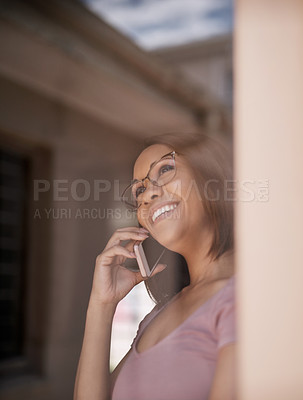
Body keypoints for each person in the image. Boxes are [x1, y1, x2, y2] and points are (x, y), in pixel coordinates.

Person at [74, 133, 236, 400]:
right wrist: (101, 304)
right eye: (139, 190)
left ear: (212, 178)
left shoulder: (240, 298)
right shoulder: (156, 316)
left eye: (166, 168)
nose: (147, 194)